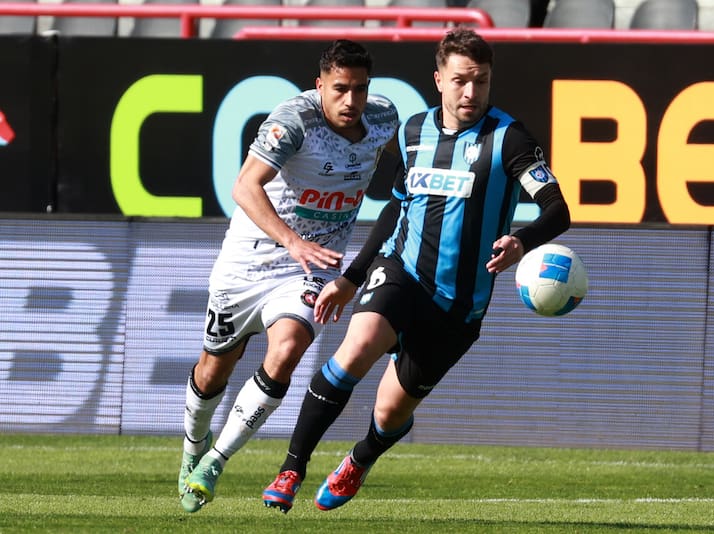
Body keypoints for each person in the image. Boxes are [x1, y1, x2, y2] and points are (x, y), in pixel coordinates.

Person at [261, 26, 570, 513]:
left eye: (482, 81)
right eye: (462, 80)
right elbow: (395, 208)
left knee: (389, 412)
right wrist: (351, 277)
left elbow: (558, 208)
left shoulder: (509, 139)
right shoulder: (412, 132)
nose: (472, 92)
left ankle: (360, 460)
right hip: (400, 272)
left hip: (459, 303)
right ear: (439, 80)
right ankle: (291, 468)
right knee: (355, 350)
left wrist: (520, 240)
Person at [178, 39, 399, 513]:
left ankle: (215, 461)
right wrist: (292, 240)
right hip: (249, 259)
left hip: (314, 265)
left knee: (290, 346)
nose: (351, 101)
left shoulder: (384, 118)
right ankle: (194, 446)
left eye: (360, 89)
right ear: (320, 86)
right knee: (214, 368)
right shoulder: (294, 120)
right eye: (340, 89)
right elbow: (244, 185)